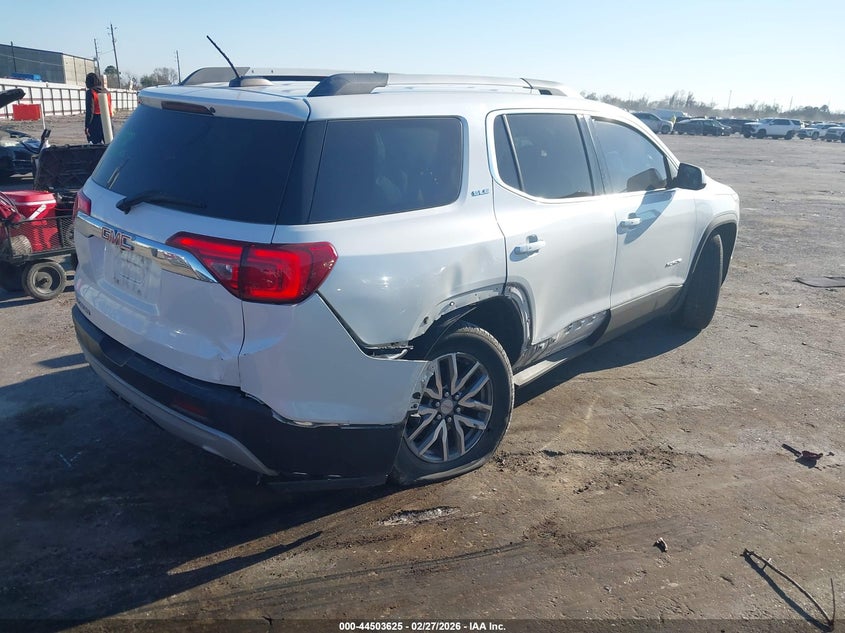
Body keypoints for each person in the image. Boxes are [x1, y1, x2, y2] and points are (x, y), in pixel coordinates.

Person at [84, 73, 112, 144]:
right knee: (109, 145)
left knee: (95, 146)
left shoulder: (90, 92)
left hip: (96, 121)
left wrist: (87, 126)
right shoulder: (107, 92)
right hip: (108, 120)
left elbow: (90, 110)